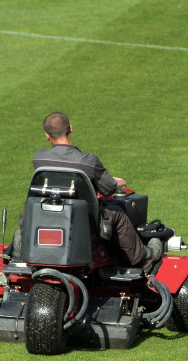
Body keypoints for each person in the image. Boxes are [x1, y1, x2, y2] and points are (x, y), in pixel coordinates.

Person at [17, 112, 162, 273]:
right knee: (117, 213)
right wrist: (119, 182)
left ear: (46, 135)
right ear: (70, 128)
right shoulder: (88, 161)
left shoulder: (39, 159)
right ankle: (142, 259)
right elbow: (108, 188)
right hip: (84, 226)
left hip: (45, 219)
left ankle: (19, 249)